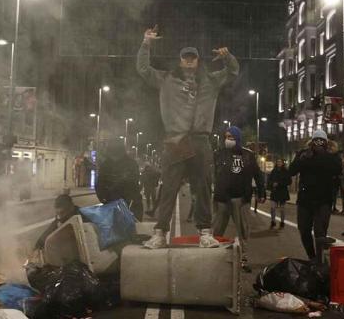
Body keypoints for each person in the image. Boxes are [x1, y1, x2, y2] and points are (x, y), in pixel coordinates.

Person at [137, 25, 239, 249]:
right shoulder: (166, 79)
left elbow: (233, 72)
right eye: (186, 57)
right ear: (180, 60)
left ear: (198, 60)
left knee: (203, 187)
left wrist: (227, 57)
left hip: (200, 139)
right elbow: (143, 69)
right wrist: (146, 43)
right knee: (169, 188)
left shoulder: (210, 80)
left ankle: (205, 233)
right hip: (175, 140)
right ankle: (160, 233)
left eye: (193, 58)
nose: (189, 60)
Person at [212, 127, 266, 272]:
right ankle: (213, 256)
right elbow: (211, 173)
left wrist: (261, 192)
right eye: (226, 136)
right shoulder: (219, 154)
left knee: (243, 230)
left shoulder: (248, 155)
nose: (227, 139)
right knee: (217, 229)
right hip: (222, 198)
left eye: (230, 137)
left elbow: (258, 175)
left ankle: (243, 258)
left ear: (237, 138)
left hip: (240, 199)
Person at [289, 129, 342, 263]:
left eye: (321, 141)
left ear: (326, 143)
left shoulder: (332, 155)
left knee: (320, 232)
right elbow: (292, 170)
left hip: (323, 200)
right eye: (316, 140)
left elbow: (337, 169)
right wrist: (302, 158)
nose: (318, 143)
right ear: (311, 142)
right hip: (305, 199)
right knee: (304, 229)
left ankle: (320, 260)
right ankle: (312, 257)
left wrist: (324, 156)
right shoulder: (304, 154)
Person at [96, 139, 143, 221]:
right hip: (123, 203)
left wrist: (104, 199)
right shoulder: (131, 163)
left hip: (121, 204)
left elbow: (99, 184)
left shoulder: (105, 164)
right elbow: (135, 183)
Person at [267, 158, 291, 229]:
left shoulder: (286, 171)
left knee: (282, 209)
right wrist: (272, 184)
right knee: (272, 208)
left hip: (282, 192)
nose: (279, 163)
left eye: (280, 162)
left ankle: (282, 222)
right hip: (274, 192)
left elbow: (289, 181)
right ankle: (273, 221)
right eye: (277, 162)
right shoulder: (273, 171)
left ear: (282, 163)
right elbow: (269, 180)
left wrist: (279, 184)